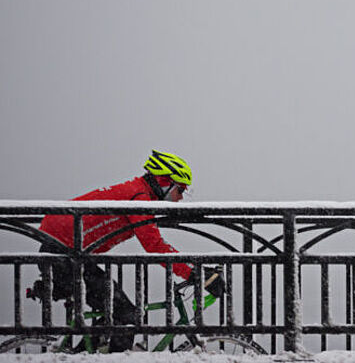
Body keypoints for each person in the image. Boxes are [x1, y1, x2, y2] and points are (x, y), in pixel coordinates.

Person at [35, 150, 224, 352]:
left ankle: (87, 353)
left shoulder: (138, 193)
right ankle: (114, 356)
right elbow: (154, 245)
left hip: (65, 252)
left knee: (111, 308)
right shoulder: (139, 197)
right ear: (163, 181)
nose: (180, 198)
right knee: (127, 315)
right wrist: (195, 274)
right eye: (180, 190)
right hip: (62, 254)